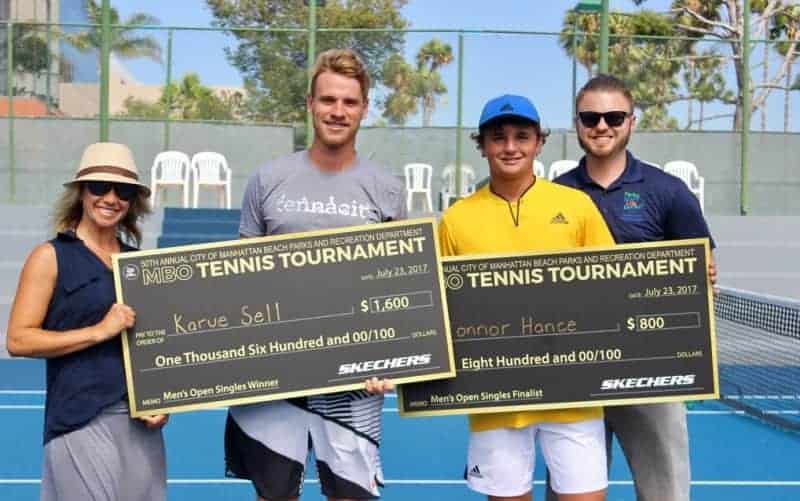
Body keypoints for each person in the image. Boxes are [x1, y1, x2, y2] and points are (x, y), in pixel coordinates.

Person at [224, 48, 405, 501]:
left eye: (349, 102)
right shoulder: (267, 179)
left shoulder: (388, 189)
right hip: (274, 372)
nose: (337, 112)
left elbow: (398, 284)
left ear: (364, 108)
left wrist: (392, 358)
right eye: (328, 100)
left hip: (354, 379)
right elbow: (240, 278)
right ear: (310, 103)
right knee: (273, 495)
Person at [438, 94, 614, 501]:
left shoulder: (577, 206)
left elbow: (612, 289)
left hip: (574, 398)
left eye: (522, 136)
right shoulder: (456, 219)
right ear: (482, 146)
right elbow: (440, 308)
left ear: (539, 143)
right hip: (495, 402)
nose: (510, 147)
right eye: (498, 138)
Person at [549, 74, 716, 501]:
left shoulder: (669, 192)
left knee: (666, 493)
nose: (601, 125)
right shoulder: (553, 196)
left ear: (631, 122)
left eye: (613, 116)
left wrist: (701, 283)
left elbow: (702, 277)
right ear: (578, 123)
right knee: (571, 493)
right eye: (590, 117)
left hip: (651, 371)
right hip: (574, 372)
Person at [6, 142, 168, 501]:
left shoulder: (141, 265)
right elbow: (18, 340)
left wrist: (162, 400)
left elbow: (154, 348)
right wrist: (99, 331)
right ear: (81, 192)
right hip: (81, 419)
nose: (110, 198)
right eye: (99, 187)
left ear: (132, 201)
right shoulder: (50, 257)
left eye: (122, 190)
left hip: (139, 426)